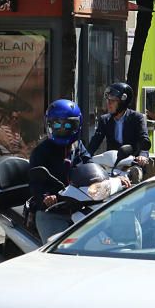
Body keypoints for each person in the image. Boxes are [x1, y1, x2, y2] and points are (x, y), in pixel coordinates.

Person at [29, 100, 105, 241]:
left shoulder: (78, 146)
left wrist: (110, 179)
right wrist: (45, 197)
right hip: (51, 211)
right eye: (57, 124)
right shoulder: (41, 151)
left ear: (78, 125)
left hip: (78, 206)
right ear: (49, 125)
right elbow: (35, 182)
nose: (63, 129)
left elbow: (89, 164)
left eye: (69, 124)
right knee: (55, 250)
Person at [88, 82, 151, 168]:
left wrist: (143, 155)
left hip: (132, 163)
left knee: (135, 173)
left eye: (113, 100)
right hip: (111, 164)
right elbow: (95, 141)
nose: (109, 103)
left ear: (123, 102)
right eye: (108, 100)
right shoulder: (104, 120)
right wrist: (86, 156)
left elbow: (143, 138)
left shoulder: (137, 118)